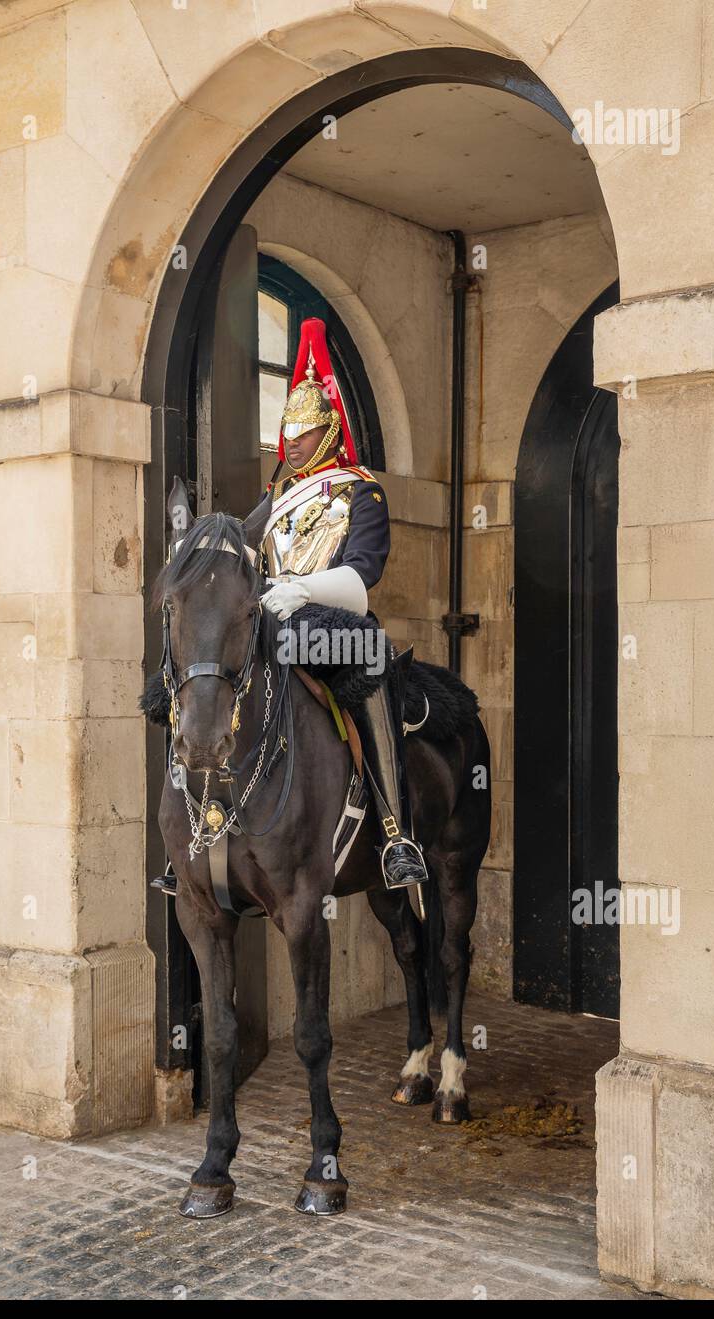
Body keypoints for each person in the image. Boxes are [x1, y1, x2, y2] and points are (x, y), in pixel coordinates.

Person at [152, 317, 426, 895]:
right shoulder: (273, 499)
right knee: (188, 677)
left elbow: (364, 576)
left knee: (370, 673)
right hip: (271, 619)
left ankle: (396, 833)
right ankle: (189, 838)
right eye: (287, 431)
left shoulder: (361, 491)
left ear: (328, 431)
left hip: (333, 620)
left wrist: (303, 589)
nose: (291, 442)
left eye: (304, 432)